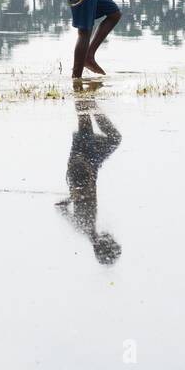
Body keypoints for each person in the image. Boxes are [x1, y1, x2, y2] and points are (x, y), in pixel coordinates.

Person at [56, 94, 122, 265]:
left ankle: (80, 92)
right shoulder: (86, 230)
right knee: (114, 139)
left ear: (104, 244)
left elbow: (74, 195)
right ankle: (89, 101)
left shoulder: (87, 226)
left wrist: (77, 192)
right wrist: (72, 196)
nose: (112, 237)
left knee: (85, 123)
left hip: (83, 164)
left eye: (111, 242)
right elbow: (61, 208)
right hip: (87, 165)